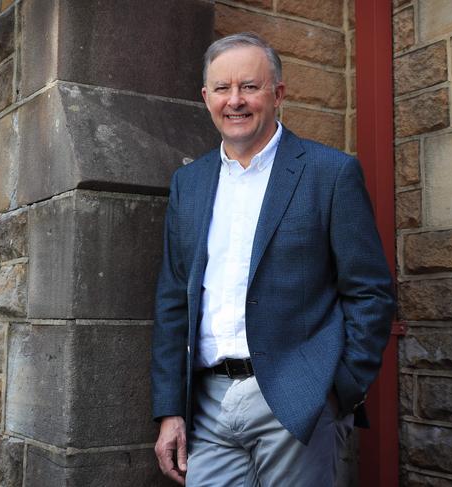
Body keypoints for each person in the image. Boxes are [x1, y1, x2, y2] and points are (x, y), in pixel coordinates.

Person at [151, 32, 395, 486]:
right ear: (206, 98)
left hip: (298, 401)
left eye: (250, 86)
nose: (235, 101)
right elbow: (173, 301)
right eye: (222, 89)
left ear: (278, 94)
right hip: (207, 406)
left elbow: (370, 293)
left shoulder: (331, 173)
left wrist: (337, 391)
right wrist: (170, 410)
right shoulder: (189, 182)